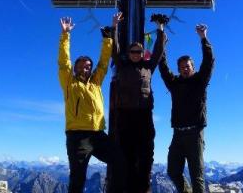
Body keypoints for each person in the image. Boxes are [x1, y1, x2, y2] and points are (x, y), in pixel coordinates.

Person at [58, 15, 124, 193]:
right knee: (78, 177)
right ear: (75, 68)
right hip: (77, 136)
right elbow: (64, 62)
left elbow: (103, 63)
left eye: (87, 66)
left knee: (120, 160)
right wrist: (65, 35)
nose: (84, 68)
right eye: (80, 65)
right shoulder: (69, 83)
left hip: (98, 135)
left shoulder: (95, 82)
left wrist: (108, 38)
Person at [111, 12, 166, 193]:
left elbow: (158, 50)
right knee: (126, 155)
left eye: (139, 52)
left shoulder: (148, 67)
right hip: (125, 116)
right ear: (129, 53)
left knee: (146, 155)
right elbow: (115, 49)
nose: (136, 54)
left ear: (143, 54)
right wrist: (115, 27)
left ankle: (144, 189)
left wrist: (160, 29)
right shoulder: (122, 65)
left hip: (144, 115)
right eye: (133, 51)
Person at [158, 24, 215, 193]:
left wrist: (203, 38)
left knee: (196, 174)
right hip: (178, 134)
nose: (184, 68)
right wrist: (162, 43)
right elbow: (163, 68)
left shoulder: (200, 81)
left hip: (195, 133)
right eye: (182, 66)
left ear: (193, 67)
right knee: (173, 171)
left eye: (187, 66)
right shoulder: (174, 84)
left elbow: (209, 62)